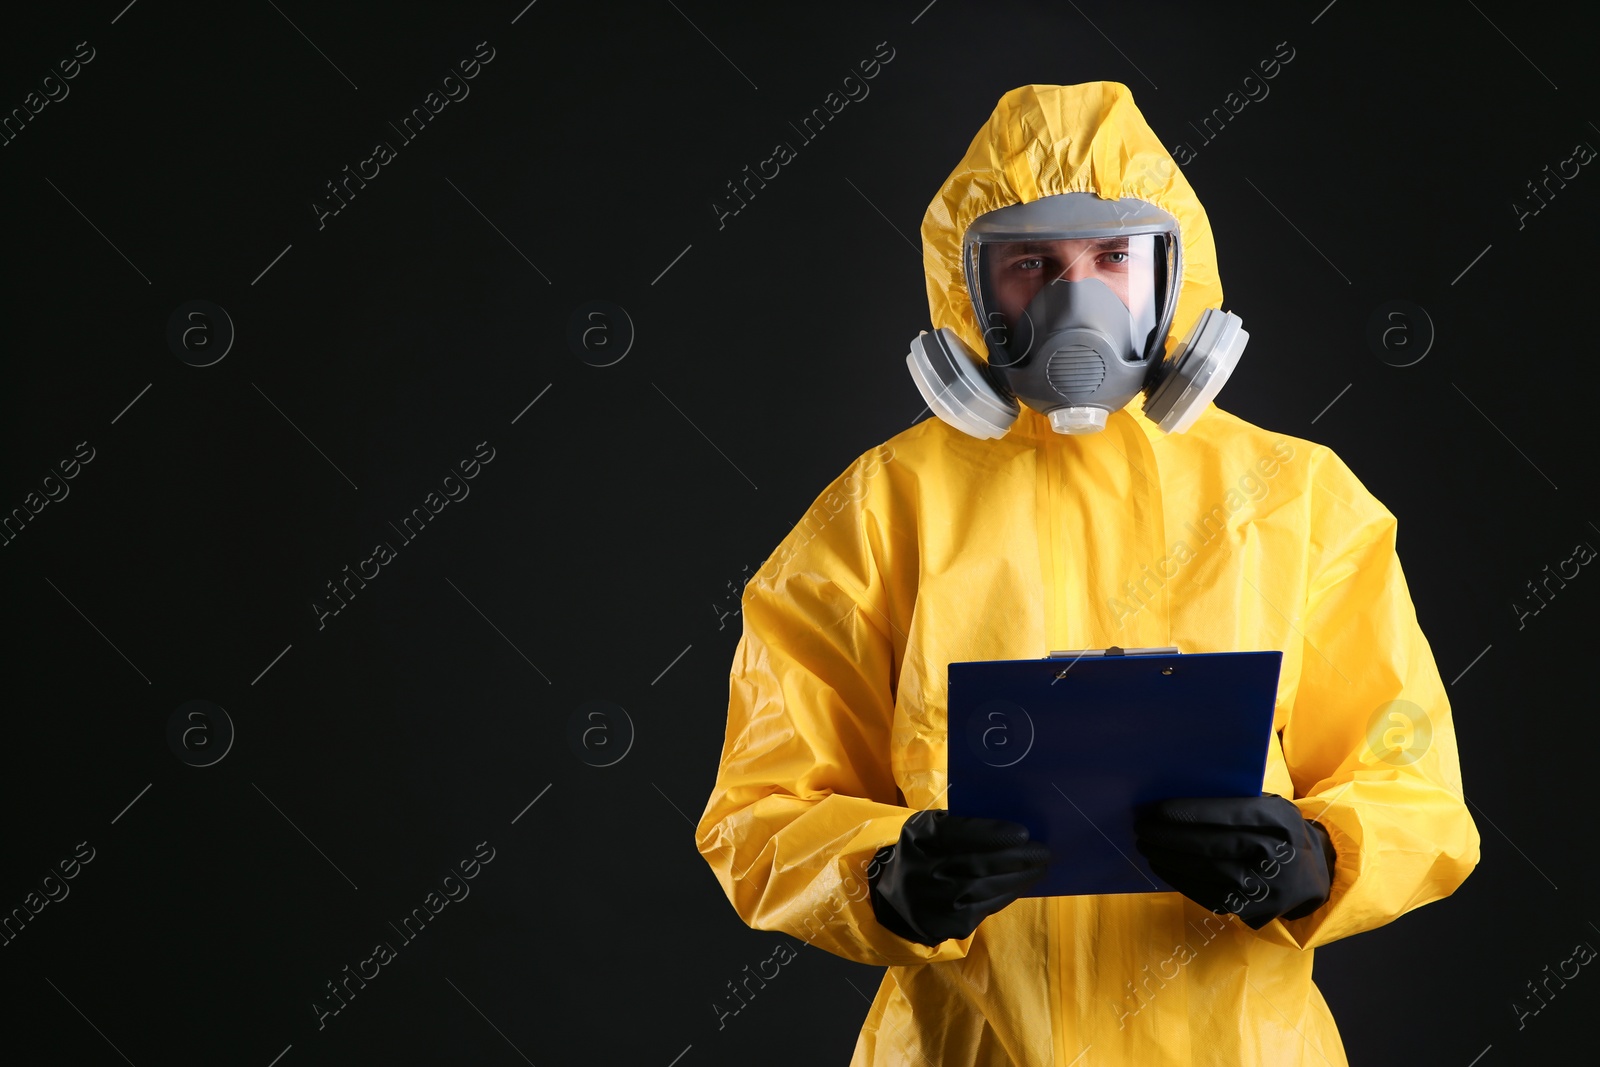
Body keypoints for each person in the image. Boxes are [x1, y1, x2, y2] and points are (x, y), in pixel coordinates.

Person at [694, 81, 1479, 1067]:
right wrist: (884, 875)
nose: (1079, 300)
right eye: (1031, 263)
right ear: (966, 287)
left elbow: (1415, 789)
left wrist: (1314, 861)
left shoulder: (1297, 500)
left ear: (1172, 275)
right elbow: (759, 809)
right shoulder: (878, 513)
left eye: (1114, 257)